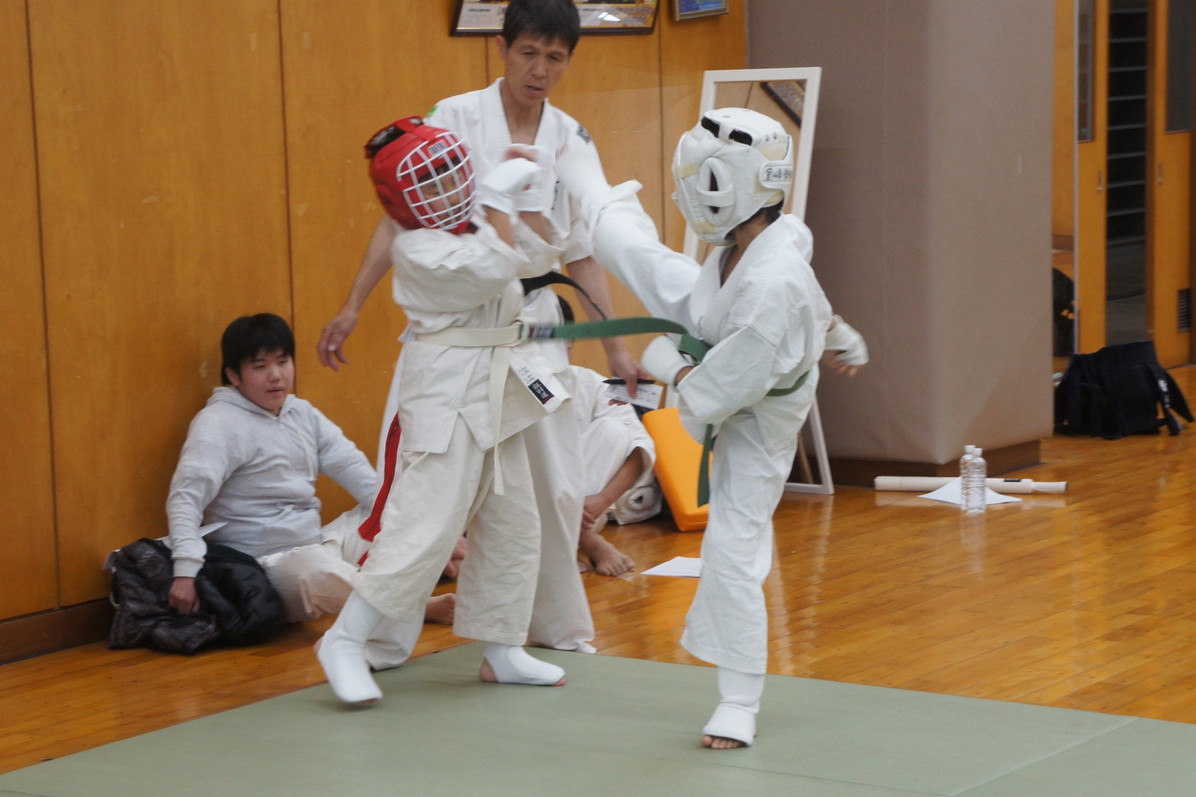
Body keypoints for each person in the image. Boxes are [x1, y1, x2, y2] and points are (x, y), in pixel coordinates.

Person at [317, 0, 645, 654]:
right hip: (456, 329)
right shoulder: (455, 117)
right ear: (503, 47)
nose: (540, 69)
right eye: (529, 52)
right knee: (422, 494)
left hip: (534, 332)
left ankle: (545, 633)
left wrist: (615, 344)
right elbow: (397, 218)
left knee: (548, 490)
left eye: (555, 57)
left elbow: (581, 252)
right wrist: (353, 304)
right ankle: (378, 640)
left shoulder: (571, 137)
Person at [556, 107, 869, 748]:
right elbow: (810, 297)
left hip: (761, 416)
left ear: (734, 186)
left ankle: (739, 699)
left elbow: (713, 397)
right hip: (724, 327)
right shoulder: (760, 243)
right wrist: (839, 335)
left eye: (701, 180)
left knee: (733, 544)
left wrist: (663, 362)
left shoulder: (768, 292)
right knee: (641, 255)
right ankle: (579, 167)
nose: (690, 193)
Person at [316, 116, 571, 704]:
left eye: (449, 170)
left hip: (497, 386)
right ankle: (346, 640)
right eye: (426, 180)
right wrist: (499, 197)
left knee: (512, 519)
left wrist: (524, 192)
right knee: (424, 524)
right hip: (446, 395)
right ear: (401, 201)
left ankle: (502, 646)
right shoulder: (418, 248)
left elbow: (535, 258)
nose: (445, 185)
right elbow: (496, 266)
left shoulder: (478, 218)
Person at [165, 313, 455, 674]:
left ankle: (394, 605)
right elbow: (185, 498)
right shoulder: (218, 423)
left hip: (315, 541)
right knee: (315, 569)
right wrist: (185, 569)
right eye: (260, 366)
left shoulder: (301, 412)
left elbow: (358, 473)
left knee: (386, 516)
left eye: (283, 362)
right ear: (234, 376)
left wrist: (427, 531)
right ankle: (415, 607)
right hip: (265, 567)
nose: (276, 375)